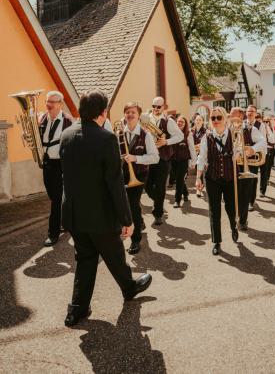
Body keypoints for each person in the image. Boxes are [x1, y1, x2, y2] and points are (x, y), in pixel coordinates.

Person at [60, 90, 152, 327]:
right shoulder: (107, 138)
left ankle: (77, 308)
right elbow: (115, 183)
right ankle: (129, 288)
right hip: (100, 215)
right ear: (102, 113)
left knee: (85, 258)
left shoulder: (66, 135)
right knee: (113, 255)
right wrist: (127, 219)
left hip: (74, 213)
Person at [196, 107, 238, 256]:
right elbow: (202, 158)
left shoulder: (234, 135)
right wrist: (198, 177)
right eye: (213, 118)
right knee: (214, 210)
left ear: (225, 119)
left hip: (230, 177)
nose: (215, 121)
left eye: (218, 118)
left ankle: (234, 226)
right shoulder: (206, 137)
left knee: (231, 208)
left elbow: (239, 154)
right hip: (212, 178)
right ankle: (216, 241)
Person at [120, 102, 159, 254]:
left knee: (132, 205)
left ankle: (136, 240)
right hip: (123, 175)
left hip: (139, 175)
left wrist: (135, 158)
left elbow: (154, 158)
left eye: (133, 112)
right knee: (128, 204)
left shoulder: (146, 135)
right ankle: (140, 222)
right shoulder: (118, 134)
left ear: (138, 116)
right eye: (127, 112)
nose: (130, 115)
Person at [39, 90, 73, 247]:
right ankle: (64, 221)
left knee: (57, 199)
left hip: (61, 164)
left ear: (60, 104)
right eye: (47, 101)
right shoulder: (42, 118)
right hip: (47, 164)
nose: (49, 104)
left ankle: (53, 234)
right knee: (53, 197)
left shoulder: (68, 121)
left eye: (52, 101)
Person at [145, 96, 183, 225]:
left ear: (164, 107)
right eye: (153, 106)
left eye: (158, 107)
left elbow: (180, 136)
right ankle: (158, 202)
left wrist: (166, 141)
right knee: (147, 185)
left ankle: (158, 214)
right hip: (148, 157)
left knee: (160, 187)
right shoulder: (145, 118)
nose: (155, 109)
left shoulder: (168, 121)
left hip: (163, 158)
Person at [230, 106, 266, 231]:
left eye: (233, 115)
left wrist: (253, 149)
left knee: (244, 194)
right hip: (231, 166)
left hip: (246, 166)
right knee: (232, 195)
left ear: (241, 116)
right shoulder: (226, 129)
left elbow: (263, 142)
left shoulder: (251, 128)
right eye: (230, 115)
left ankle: (243, 220)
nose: (231, 117)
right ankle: (234, 217)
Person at [172, 115, 197, 207]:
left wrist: (194, 161)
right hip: (173, 160)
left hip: (183, 160)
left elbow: (192, 148)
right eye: (178, 121)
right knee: (178, 179)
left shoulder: (188, 134)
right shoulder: (172, 133)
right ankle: (185, 193)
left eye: (182, 122)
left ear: (185, 124)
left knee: (179, 179)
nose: (180, 123)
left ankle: (177, 200)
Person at [260, 116, 275, 197]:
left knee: (268, 166)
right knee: (264, 167)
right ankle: (264, 183)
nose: (266, 123)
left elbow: (274, 139)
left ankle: (267, 179)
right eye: (265, 121)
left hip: (271, 148)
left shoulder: (271, 128)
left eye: (267, 121)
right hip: (265, 148)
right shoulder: (263, 128)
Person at [192, 114, 207, 197]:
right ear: (194, 121)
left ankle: (199, 189)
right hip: (194, 154)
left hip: (203, 154)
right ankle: (199, 187)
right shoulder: (191, 131)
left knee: (201, 171)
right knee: (198, 171)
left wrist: (199, 146)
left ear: (203, 122)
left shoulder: (206, 132)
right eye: (197, 120)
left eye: (200, 120)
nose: (198, 121)